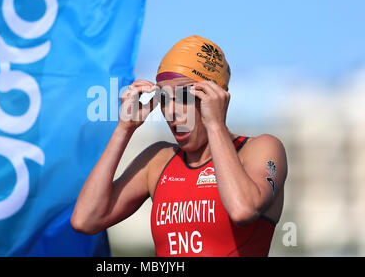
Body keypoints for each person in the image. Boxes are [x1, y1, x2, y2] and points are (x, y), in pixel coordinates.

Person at [71, 35, 288, 257]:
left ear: (214, 97)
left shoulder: (258, 149)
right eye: (163, 98)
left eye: (184, 96)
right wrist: (123, 129)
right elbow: (85, 219)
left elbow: (242, 210)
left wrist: (215, 125)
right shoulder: (158, 160)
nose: (171, 111)